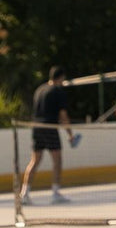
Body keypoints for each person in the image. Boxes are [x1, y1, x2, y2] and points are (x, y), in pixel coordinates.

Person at [20, 66, 76, 205]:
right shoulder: (57, 91)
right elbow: (63, 115)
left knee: (34, 161)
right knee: (57, 160)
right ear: (61, 78)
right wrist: (70, 134)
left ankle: (24, 193)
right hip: (49, 127)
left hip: (37, 128)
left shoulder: (40, 89)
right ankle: (56, 192)